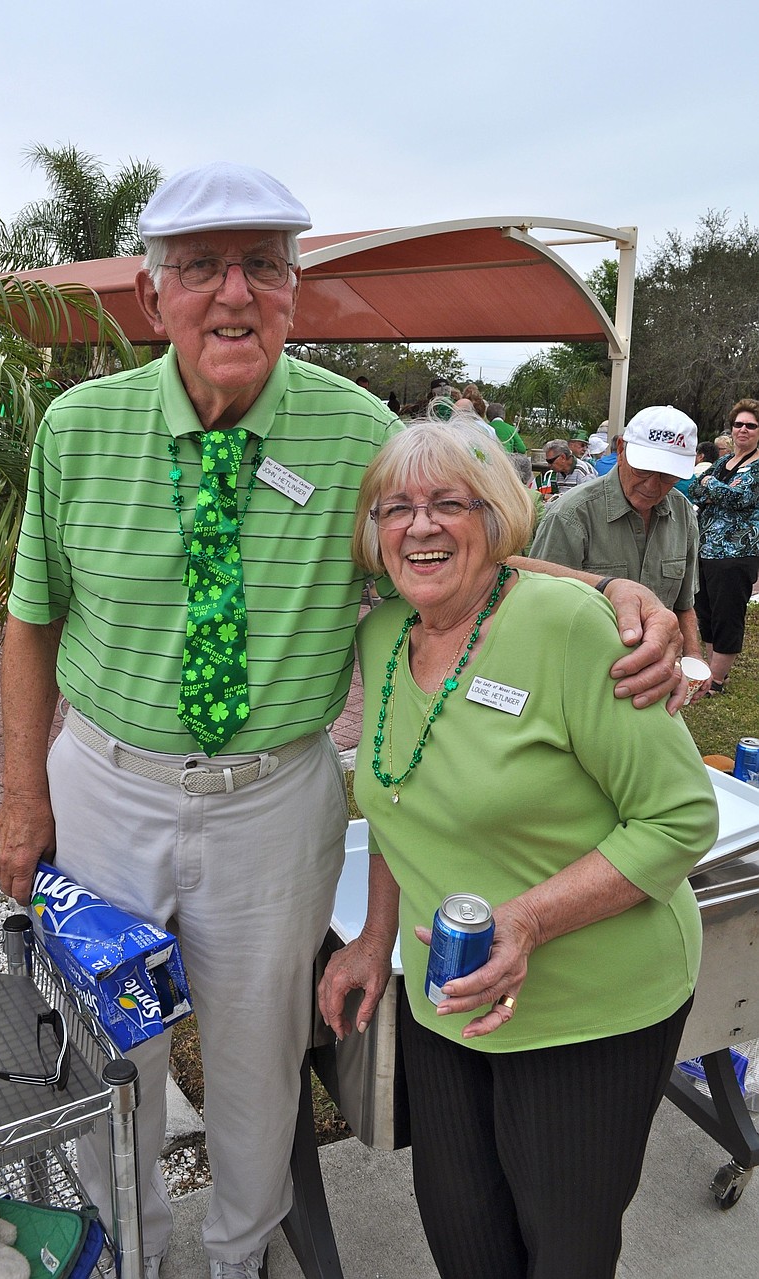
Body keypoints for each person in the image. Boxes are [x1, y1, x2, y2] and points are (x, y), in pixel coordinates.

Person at [0, 161, 685, 1279]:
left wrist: (616, 590)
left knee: (259, 1052)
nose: (233, 294)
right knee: (104, 1049)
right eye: (203, 268)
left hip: (273, 796)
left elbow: (478, 546)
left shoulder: (355, 428)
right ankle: (126, 1247)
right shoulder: (79, 428)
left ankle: (237, 1256)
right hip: (105, 783)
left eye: (262, 267)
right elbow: (29, 621)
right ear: (152, 295)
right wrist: (23, 799)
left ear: (293, 294)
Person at [318, 420, 718, 1279]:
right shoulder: (384, 635)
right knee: (463, 1233)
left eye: (449, 504)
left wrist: (530, 919)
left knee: (563, 1245)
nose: (420, 526)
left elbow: (680, 817)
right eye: (397, 507)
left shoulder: (570, 628)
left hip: (592, 1007)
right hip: (448, 997)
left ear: (495, 517)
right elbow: (400, 803)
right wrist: (372, 939)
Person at [531, 406, 710, 699]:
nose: (653, 486)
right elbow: (538, 605)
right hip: (584, 679)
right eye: (644, 470)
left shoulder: (683, 515)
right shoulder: (572, 515)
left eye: (668, 476)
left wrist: (693, 656)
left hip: (657, 676)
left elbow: (683, 603)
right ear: (620, 448)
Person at [689, 398, 759, 694]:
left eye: (751, 425)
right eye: (738, 424)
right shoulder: (723, 462)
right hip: (706, 550)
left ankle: (715, 681)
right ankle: (711, 671)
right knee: (706, 611)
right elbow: (693, 488)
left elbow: (741, 499)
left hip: (737, 553)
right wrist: (713, 487)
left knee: (728, 615)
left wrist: (711, 486)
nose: (742, 430)